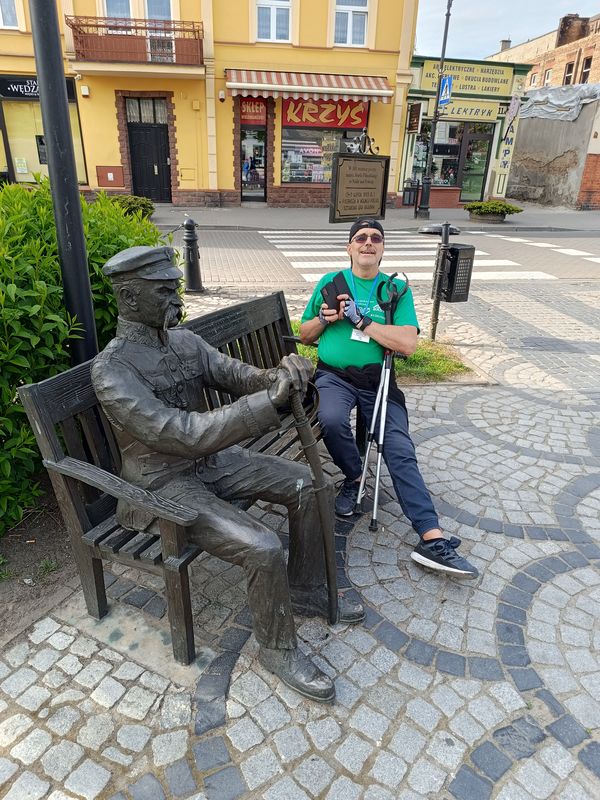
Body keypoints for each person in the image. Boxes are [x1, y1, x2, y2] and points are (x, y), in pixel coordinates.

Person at [91, 245, 364, 703]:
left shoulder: (185, 341)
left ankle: (306, 589)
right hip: (162, 485)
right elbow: (182, 433)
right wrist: (266, 404)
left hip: (214, 462)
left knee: (311, 485)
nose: (176, 298)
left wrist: (279, 374)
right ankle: (277, 648)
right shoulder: (112, 371)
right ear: (129, 298)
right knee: (261, 545)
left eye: (175, 287)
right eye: (164, 291)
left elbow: (236, 374)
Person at [300, 219, 478, 579]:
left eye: (375, 238)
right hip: (333, 376)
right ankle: (354, 476)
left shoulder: (395, 289)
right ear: (349, 247)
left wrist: (363, 322)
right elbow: (304, 334)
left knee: (398, 447)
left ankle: (431, 537)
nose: (368, 242)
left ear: (382, 249)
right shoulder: (330, 283)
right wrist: (323, 318)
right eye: (360, 238)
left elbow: (408, 344)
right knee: (330, 419)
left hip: (378, 381)